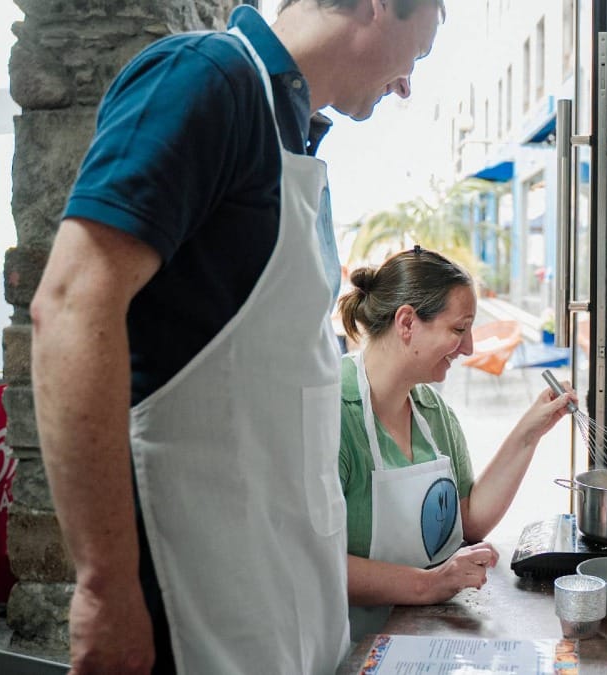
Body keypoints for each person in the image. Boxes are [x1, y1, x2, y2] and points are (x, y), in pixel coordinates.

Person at [30, 1, 444, 673]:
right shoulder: (207, 81)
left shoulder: (296, 139)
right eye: (414, 58)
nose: (405, 85)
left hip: (280, 607)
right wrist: (105, 588)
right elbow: (72, 307)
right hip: (196, 604)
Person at [335, 247, 574, 642]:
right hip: (350, 646)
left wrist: (529, 432)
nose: (469, 349)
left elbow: (470, 520)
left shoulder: (433, 412)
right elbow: (315, 564)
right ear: (407, 322)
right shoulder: (333, 414)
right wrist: (429, 584)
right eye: (459, 330)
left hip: (428, 635)